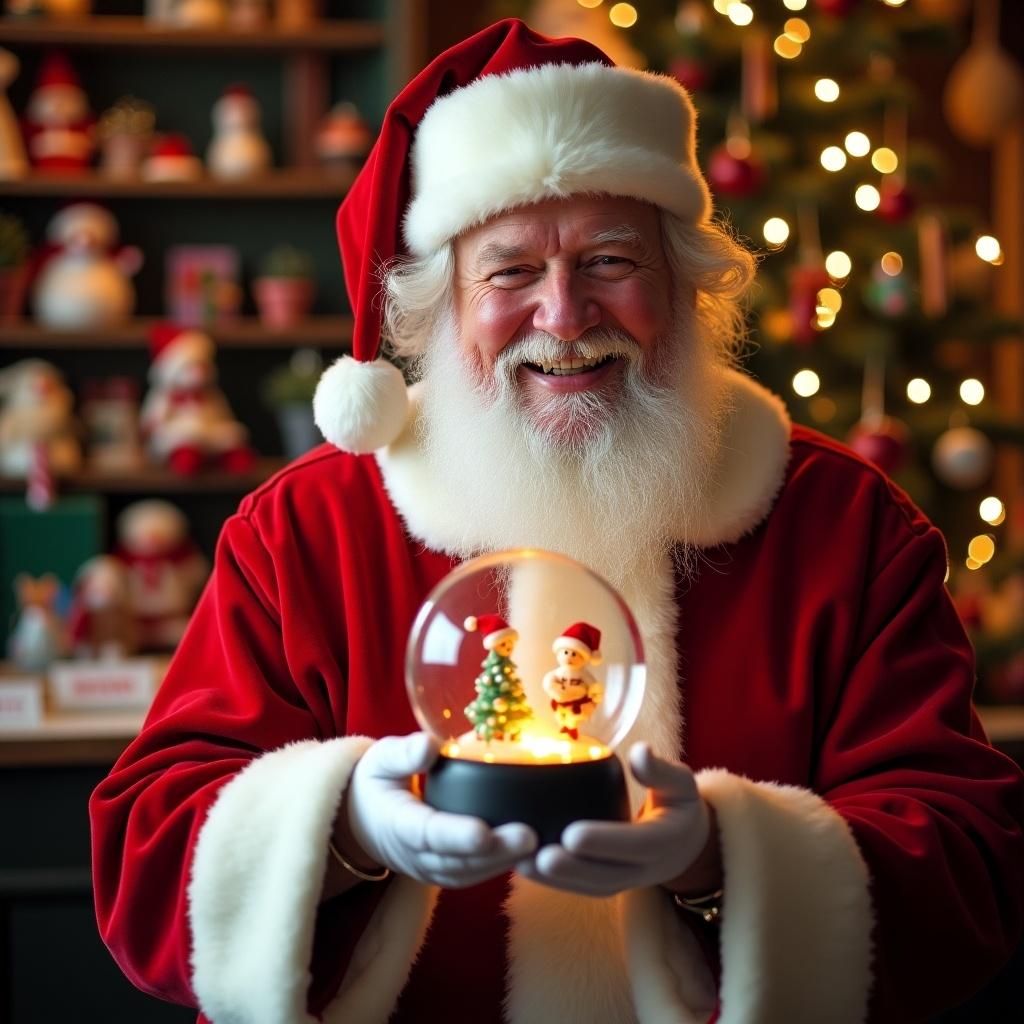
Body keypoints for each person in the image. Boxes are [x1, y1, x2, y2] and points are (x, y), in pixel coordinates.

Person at [90, 20, 1024, 1024]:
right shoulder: (306, 528)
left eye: (612, 260)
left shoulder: (844, 523)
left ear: (684, 286)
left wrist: (719, 852)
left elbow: (968, 866)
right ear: (438, 307)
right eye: (508, 272)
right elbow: (145, 864)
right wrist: (347, 826)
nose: (566, 314)